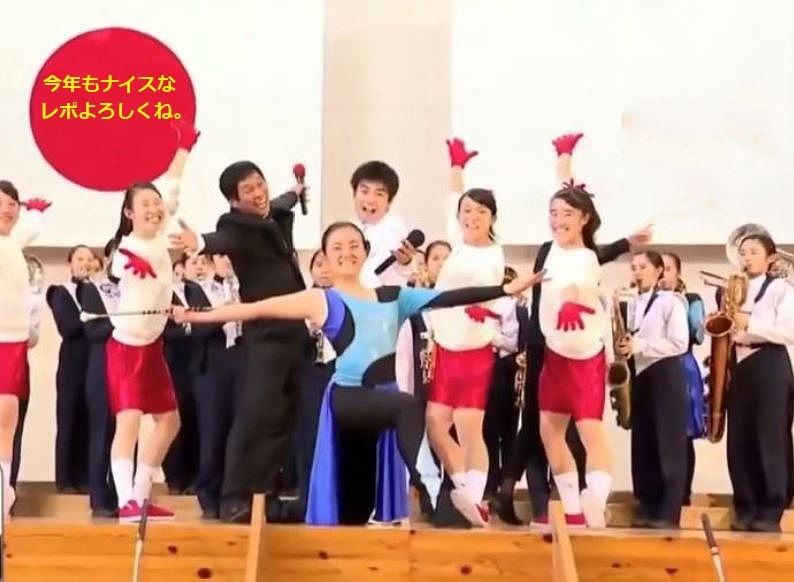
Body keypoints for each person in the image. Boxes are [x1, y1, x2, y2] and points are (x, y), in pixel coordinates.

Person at [173, 221, 545, 526]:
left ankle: (308, 511)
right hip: (347, 399)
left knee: (354, 511)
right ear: (325, 258)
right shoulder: (322, 299)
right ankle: (439, 499)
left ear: (365, 251)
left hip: (381, 401)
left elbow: (448, 297)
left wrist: (505, 288)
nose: (347, 252)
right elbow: (254, 309)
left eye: (353, 245)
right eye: (337, 248)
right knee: (407, 406)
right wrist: (197, 316)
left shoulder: (393, 297)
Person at [494, 134, 652, 527]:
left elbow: (580, 282)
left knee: (589, 430)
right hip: (552, 352)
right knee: (548, 430)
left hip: (582, 357)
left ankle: (595, 501)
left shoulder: (585, 258)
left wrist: (571, 298)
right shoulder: (550, 249)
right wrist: (564, 161)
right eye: (553, 213)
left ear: (585, 219)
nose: (557, 219)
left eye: (567, 214)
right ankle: (572, 510)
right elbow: (567, 198)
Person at [168, 160, 310, 523]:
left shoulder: (271, 210)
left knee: (282, 420)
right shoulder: (235, 225)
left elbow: (283, 201)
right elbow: (222, 240)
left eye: (259, 184)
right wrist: (199, 243)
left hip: (294, 333)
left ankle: (264, 496)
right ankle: (233, 498)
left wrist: (296, 192)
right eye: (248, 190)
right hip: (265, 336)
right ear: (234, 200)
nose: (258, 193)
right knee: (255, 417)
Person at [424, 137, 506, 527]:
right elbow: (452, 197)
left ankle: (476, 498)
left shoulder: (492, 255)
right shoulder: (456, 240)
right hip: (446, 348)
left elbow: (496, 296)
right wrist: (456, 165)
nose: (472, 217)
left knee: (470, 428)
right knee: (435, 423)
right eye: (467, 211)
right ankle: (467, 492)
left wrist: (483, 307)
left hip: (473, 351)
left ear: (492, 218)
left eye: (481, 212)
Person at [724, 233, 794, 532]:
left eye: (753, 252)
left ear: (770, 259)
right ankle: (746, 506)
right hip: (740, 363)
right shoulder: (734, 288)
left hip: (769, 362)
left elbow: (788, 332)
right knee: (740, 439)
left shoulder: (782, 289)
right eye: (743, 252)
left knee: (770, 437)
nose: (746, 258)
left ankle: (771, 509)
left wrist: (749, 323)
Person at [618, 251, 689, 528]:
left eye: (643, 267)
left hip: (665, 373)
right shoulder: (632, 303)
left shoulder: (671, 301)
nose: (637, 272)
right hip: (641, 375)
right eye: (634, 267)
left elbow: (679, 343)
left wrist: (641, 346)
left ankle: (668, 511)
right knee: (644, 442)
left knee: (667, 442)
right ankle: (646, 505)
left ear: (659, 271)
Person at [0, 180, 49, 515]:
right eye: (0, 203)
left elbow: (28, 231)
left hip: (13, 343)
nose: (6, 209)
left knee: (7, 422)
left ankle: (4, 490)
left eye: (11, 204)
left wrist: (35, 214)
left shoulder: (14, 246)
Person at [46, 245, 93, 493]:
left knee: (89, 421)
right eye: (80, 258)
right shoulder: (60, 292)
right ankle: (65, 480)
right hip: (72, 364)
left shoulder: (97, 292)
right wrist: (91, 320)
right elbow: (69, 327)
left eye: (89, 259)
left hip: (94, 363)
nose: (85, 263)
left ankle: (85, 478)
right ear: (70, 263)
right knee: (68, 419)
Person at [660, 251, 707, 506]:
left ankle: (682, 493)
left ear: (678, 273)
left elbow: (698, 336)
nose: (663, 274)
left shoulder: (691, 299)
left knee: (683, 434)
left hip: (681, 367)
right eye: (660, 268)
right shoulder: (644, 300)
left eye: (668, 269)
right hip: (653, 368)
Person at [350, 161, 415, 287]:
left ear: (389, 201)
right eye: (364, 191)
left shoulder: (394, 230)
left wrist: (405, 263)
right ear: (354, 194)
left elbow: (377, 276)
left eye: (379, 194)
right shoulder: (350, 228)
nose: (370, 200)